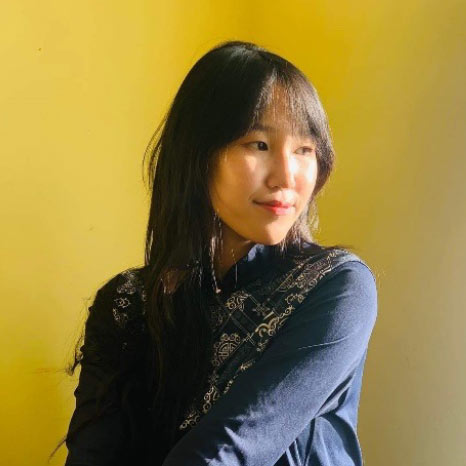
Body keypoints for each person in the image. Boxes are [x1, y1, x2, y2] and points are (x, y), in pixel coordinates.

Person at [55, 40, 378, 466]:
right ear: (197, 154)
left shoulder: (337, 286)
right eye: (258, 144)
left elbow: (231, 448)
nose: (286, 177)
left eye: (304, 149)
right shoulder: (126, 302)